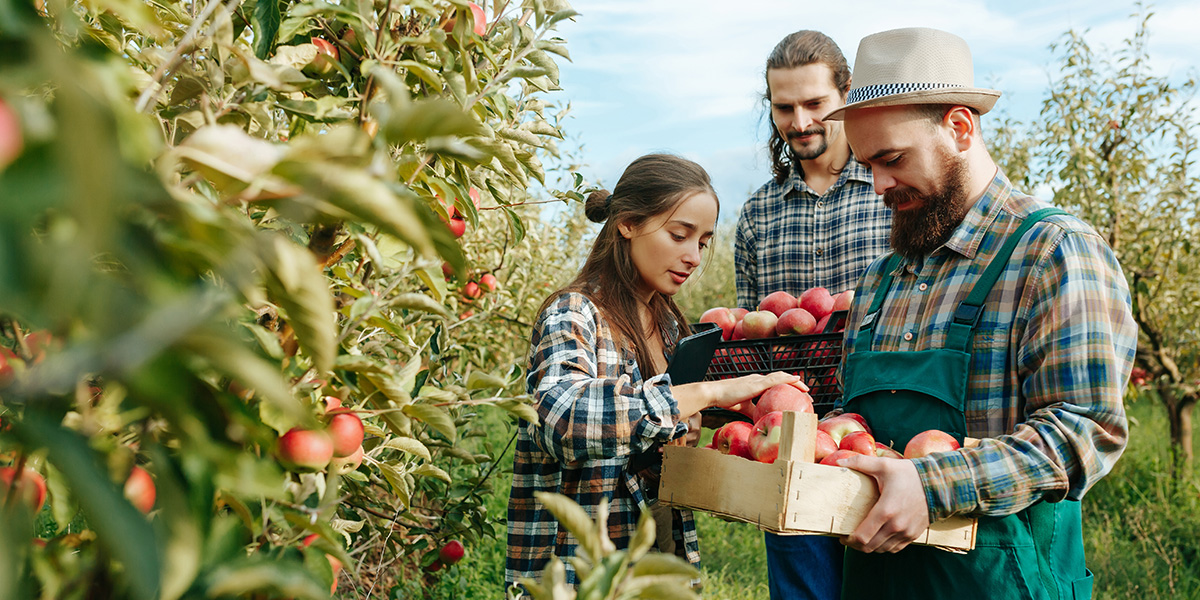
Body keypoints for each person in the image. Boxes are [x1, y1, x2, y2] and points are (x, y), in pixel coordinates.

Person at [821, 27, 1137, 599]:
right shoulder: (879, 281)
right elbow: (856, 427)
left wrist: (932, 486)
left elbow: (1086, 430)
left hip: (1003, 584)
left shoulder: (1052, 253)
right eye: (867, 165)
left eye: (892, 159)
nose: (879, 185)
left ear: (960, 128)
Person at [505, 153, 806, 590]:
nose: (693, 257)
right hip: (578, 571)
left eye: (702, 243)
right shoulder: (574, 313)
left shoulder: (669, 325)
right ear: (627, 223)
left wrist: (704, 420)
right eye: (679, 235)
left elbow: (657, 420)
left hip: (657, 547)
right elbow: (561, 417)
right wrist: (705, 393)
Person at [734, 31, 892, 600]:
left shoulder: (890, 190)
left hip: (883, 437)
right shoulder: (758, 214)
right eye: (784, 107)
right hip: (791, 447)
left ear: (846, 94)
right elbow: (751, 339)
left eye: (814, 103)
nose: (799, 122)